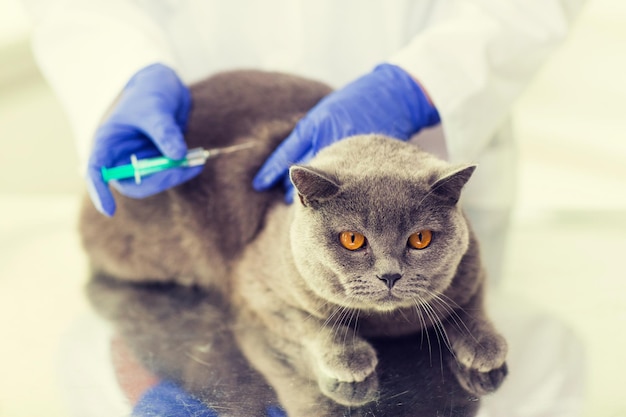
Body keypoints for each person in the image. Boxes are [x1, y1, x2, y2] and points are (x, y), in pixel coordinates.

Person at [24, 1, 588, 416]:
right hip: (193, 119)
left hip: (427, 129)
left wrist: (427, 82)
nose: (388, 269)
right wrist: (123, 75)